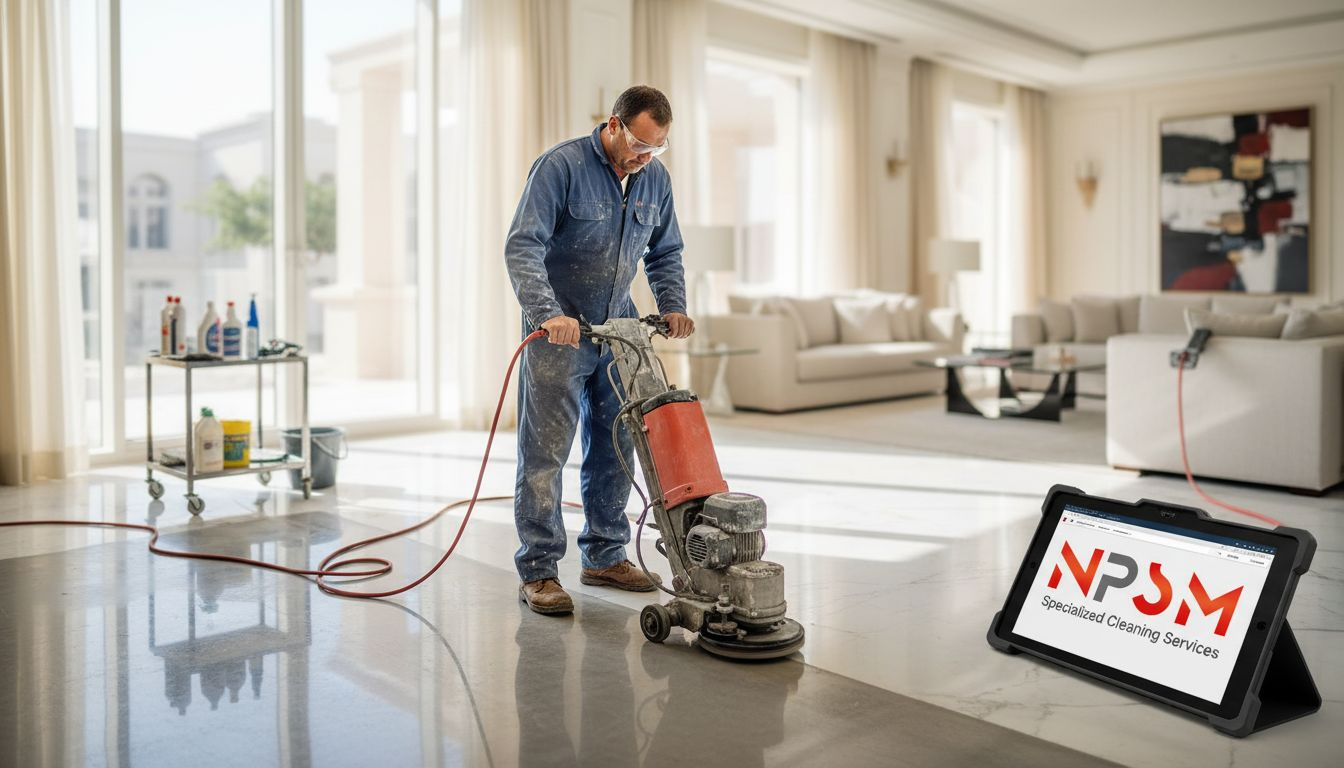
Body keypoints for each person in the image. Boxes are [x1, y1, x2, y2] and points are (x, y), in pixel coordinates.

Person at [504, 85, 694, 615]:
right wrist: (548, 314)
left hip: (621, 331)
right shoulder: (560, 167)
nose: (643, 156)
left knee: (617, 446)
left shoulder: (654, 178)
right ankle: (540, 570)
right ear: (613, 125)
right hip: (559, 331)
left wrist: (673, 305)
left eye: (656, 148)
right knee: (546, 454)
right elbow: (523, 245)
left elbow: (666, 250)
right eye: (637, 143)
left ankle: (605, 555)